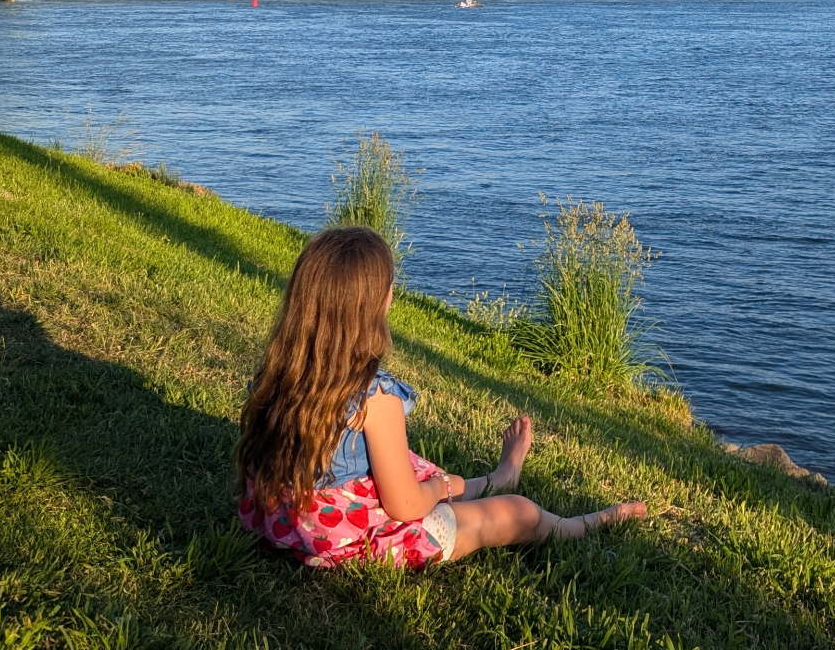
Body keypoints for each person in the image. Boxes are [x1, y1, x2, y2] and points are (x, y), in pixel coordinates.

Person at [236, 224, 645, 569]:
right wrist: (439, 486)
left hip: (285, 524)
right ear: (376, 303)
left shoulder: (278, 376)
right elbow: (406, 505)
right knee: (517, 511)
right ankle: (586, 522)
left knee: (405, 463)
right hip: (347, 539)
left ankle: (499, 476)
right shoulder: (375, 399)